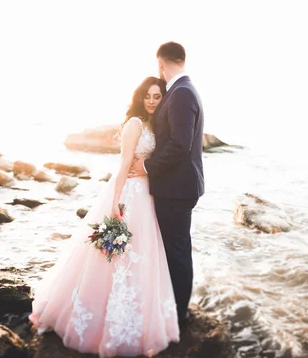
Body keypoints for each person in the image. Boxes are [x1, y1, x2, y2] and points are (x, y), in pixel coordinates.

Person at [29, 76, 179, 357]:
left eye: (157, 96)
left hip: (148, 197)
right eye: (147, 95)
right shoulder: (134, 124)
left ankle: (139, 318)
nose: (151, 100)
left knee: (141, 257)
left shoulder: (156, 125)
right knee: (112, 256)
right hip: (129, 195)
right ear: (139, 96)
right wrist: (114, 203)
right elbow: (123, 163)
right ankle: (97, 319)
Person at [129, 42, 205, 323]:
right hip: (178, 187)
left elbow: (180, 144)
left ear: (160, 64)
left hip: (176, 189)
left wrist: (147, 165)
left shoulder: (181, 93)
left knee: (177, 252)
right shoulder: (183, 90)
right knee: (175, 250)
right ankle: (173, 307)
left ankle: (179, 314)